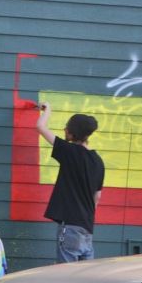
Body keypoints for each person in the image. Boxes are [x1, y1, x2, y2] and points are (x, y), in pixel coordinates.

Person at [36, 102, 105, 262]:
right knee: (85, 274)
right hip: (87, 229)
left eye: (67, 127)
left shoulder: (69, 151)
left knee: (66, 274)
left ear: (73, 133)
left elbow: (40, 127)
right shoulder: (98, 161)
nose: (64, 129)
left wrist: (48, 109)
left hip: (71, 228)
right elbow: (97, 197)